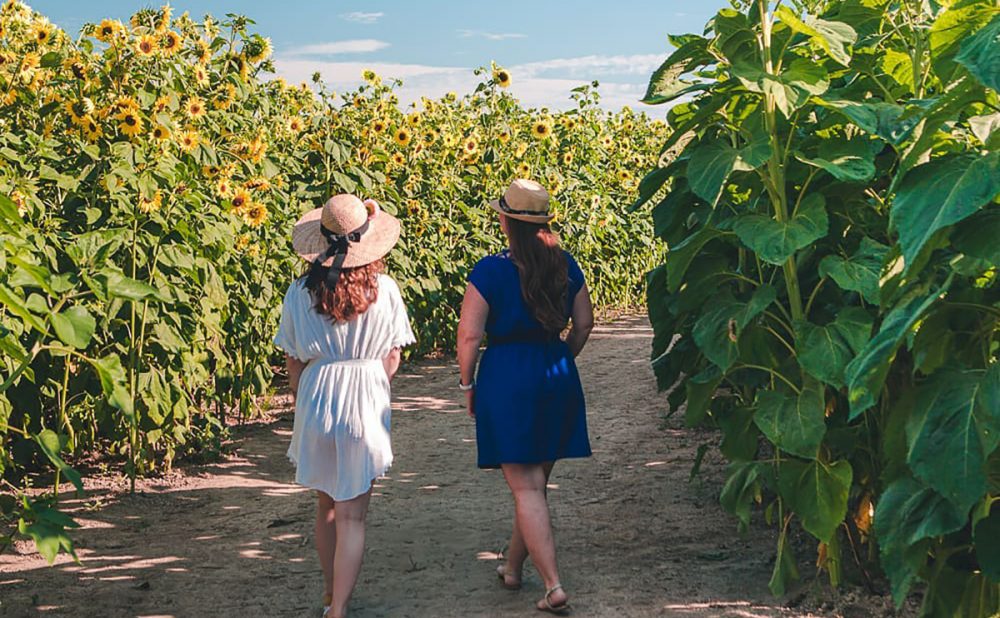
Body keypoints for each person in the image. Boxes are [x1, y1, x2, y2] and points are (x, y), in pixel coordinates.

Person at [456, 178, 594, 615]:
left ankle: (553, 586)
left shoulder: (490, 270)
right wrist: (562, 356)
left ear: (505, 221)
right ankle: (513, 568)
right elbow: (585, 323)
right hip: (555, 372)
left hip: (507, 375)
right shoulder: (565, 265)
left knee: (527, 488)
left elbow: (469, 334)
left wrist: (467, 384)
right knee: (533, 487)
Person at [274, 194, 415, 618]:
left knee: (326, 506)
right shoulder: (385, 290)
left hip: (318, 392)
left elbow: (293, 359)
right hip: (365, 392)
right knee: (353, 515)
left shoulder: (299, 292)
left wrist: (303, 398)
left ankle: (328, 592)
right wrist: (373, 383)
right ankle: (339, 608)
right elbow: (393, 356)